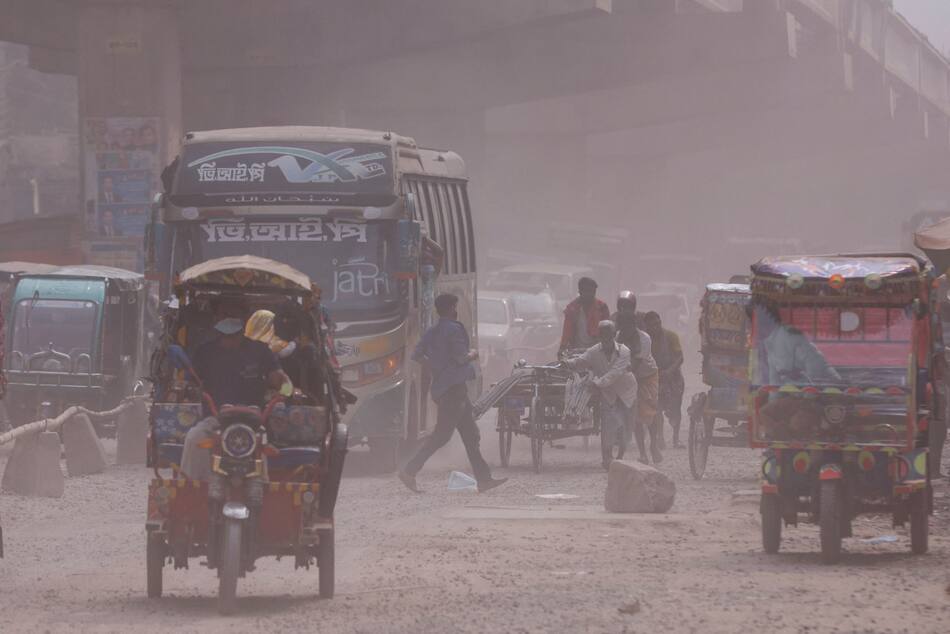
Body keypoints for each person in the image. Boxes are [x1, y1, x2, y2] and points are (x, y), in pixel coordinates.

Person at [399, 293, 507, 493]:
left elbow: (417, 355)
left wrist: (436, 367)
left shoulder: (432, 331)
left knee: (470, 435)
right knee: (441, 436)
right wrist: (474, 354)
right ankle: (409, 471)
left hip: (446, 388)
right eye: (455, 307)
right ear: (451, 308)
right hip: (453, 390)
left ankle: (484, 479)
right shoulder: (455, 329)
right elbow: (460, 357)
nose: (456, 310)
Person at [179, 306, 291, 481]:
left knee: (261, 443)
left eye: (233, 314)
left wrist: (286, 387)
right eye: (224, 314)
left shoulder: (260, 350)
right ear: (217, 321)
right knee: (194, 438)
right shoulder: (205, 351)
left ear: (243, 322)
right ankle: (196, 487)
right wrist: (190, 389)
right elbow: (191, 381)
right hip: (216, 419)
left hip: (253, 421)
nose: (228, 318)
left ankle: (262, 488)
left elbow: (278, 378)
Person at [564, 320, 638, 464]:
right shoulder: (593, 351)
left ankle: (620, 457)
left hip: (626, 392)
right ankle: (607, 458)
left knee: (626, 427)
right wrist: (567, 363)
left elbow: (615, 373)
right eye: (603, 335)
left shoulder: (624, 351)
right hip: (608, 393)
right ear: (599, 336)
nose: (606, 338)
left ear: (614, 335)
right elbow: (581, 361)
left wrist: (596, 383)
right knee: (608, 426)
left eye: (609, 334)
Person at [615, 308, 662, 464]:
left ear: (634, 324)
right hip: (629, 377)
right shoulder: (618, 338)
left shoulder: (644, 338)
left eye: (629, 325)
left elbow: (636, 363)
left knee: (650, 413)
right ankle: (643, 453)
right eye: (623, 325)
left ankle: (653, 445)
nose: (625, 328)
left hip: (647, 376)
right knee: (635, 416)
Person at [643, 311, 686, 448]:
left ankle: (676, 438)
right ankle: (660, 437)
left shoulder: (671, 336)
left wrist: (669, 371)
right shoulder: (644, 340)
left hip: (673, 378)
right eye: (652, 325)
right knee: (657, 409)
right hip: (655, 379)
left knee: (675, 408)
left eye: (658, 323)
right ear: (647, 327)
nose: (656, 327)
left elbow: (680, 357)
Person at [559, 277, 610, 354]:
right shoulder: (572, 308)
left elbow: (607, 331)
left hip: (598, 350)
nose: (590, 294)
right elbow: (566, 331)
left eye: (592, 292)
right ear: (580, 291)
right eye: (587, 291)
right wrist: (562, 347)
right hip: (576, 350)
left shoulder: (602, 307)